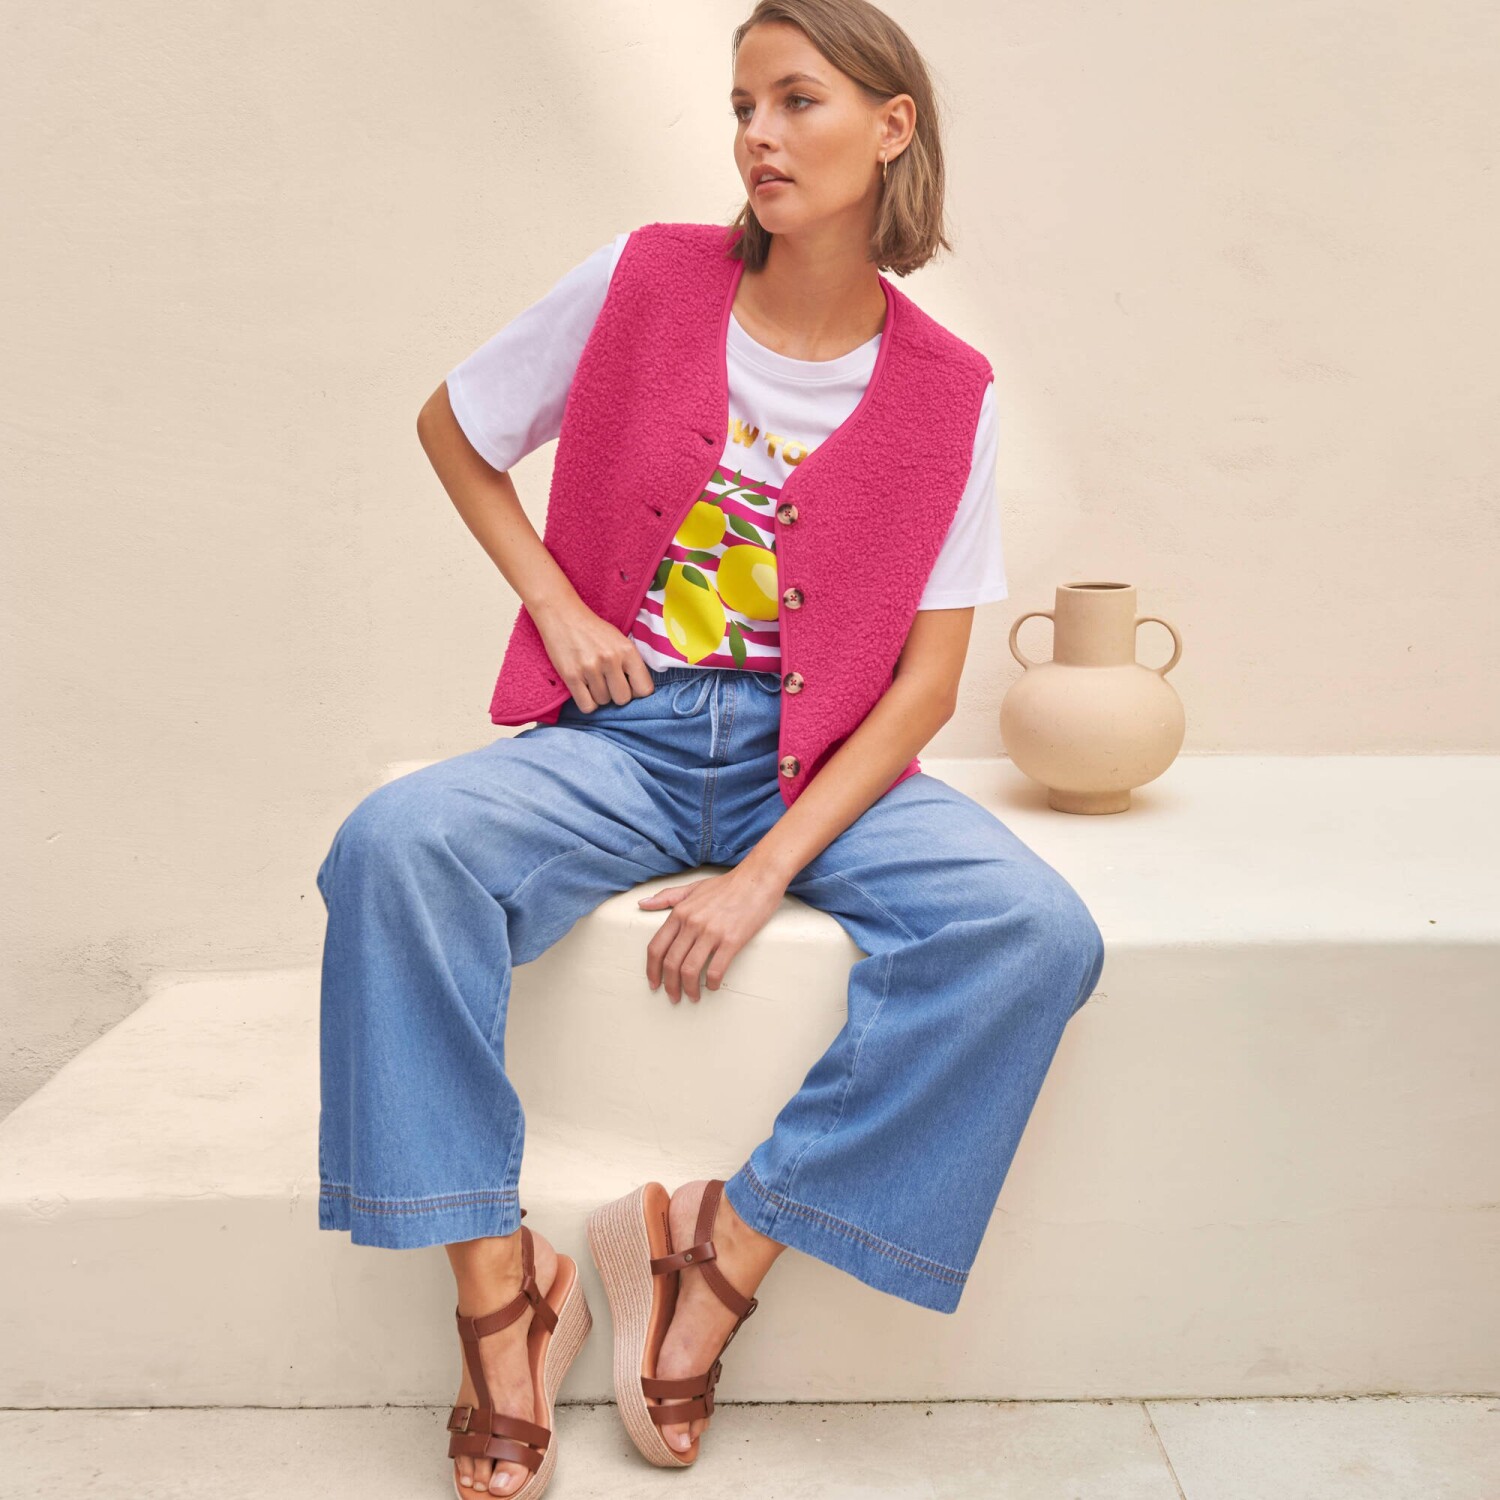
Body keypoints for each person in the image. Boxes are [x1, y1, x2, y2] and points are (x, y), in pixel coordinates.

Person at [315, 2, 1106, 1495]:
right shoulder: (645, 278)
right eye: (743, 104)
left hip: (822, 767)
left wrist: (765, 874)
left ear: (891, 127)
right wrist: (559, 609)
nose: (757, 135)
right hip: (628, 735)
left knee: (1034, 935)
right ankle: (502, 1293)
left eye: (797, 101)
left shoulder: (953, 393)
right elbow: (453, 426)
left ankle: (719, 1248)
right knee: (394, 848)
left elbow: (927, 686)